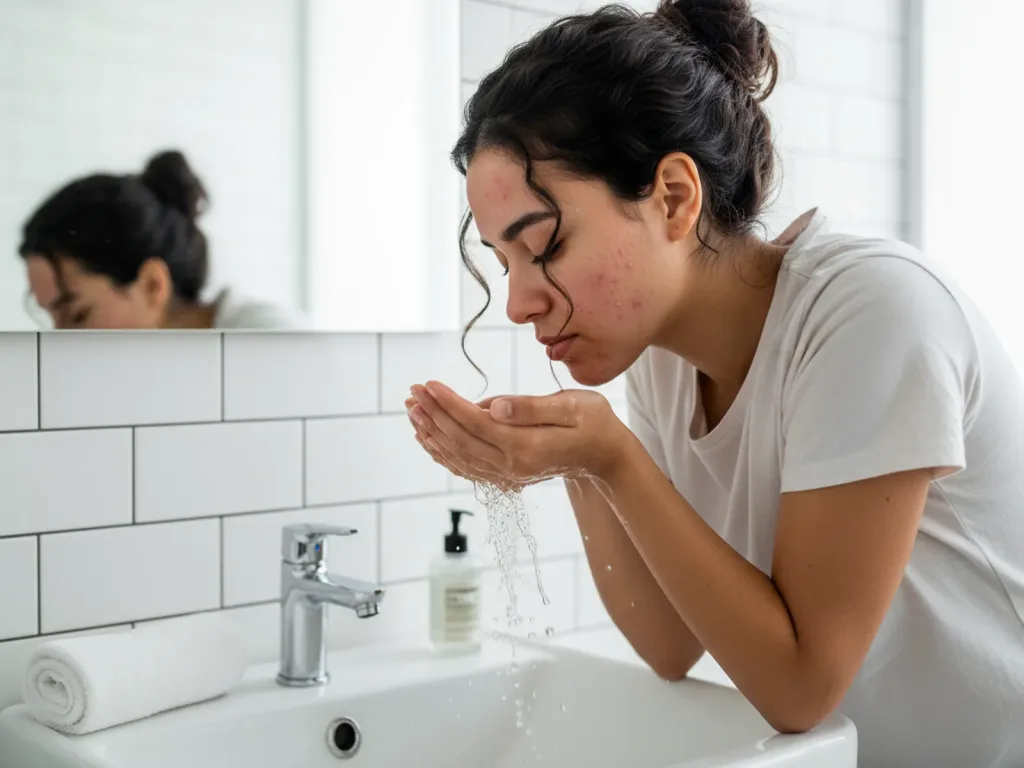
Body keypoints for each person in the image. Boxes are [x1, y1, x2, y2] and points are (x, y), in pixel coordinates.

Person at [405, 1, 1024, 766]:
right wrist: (574, 457)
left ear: (673, 196)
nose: (518, 301)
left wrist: (611, 458)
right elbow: (667, 643)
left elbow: (801, 689)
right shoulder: (662, 357)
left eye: (545, 246)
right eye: (506, 265)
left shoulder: (871, 312)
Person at [19, 150, 307, 330]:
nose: (60, 344)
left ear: (152, 285)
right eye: (53, 321)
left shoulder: (274, 343)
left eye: (79, 316)